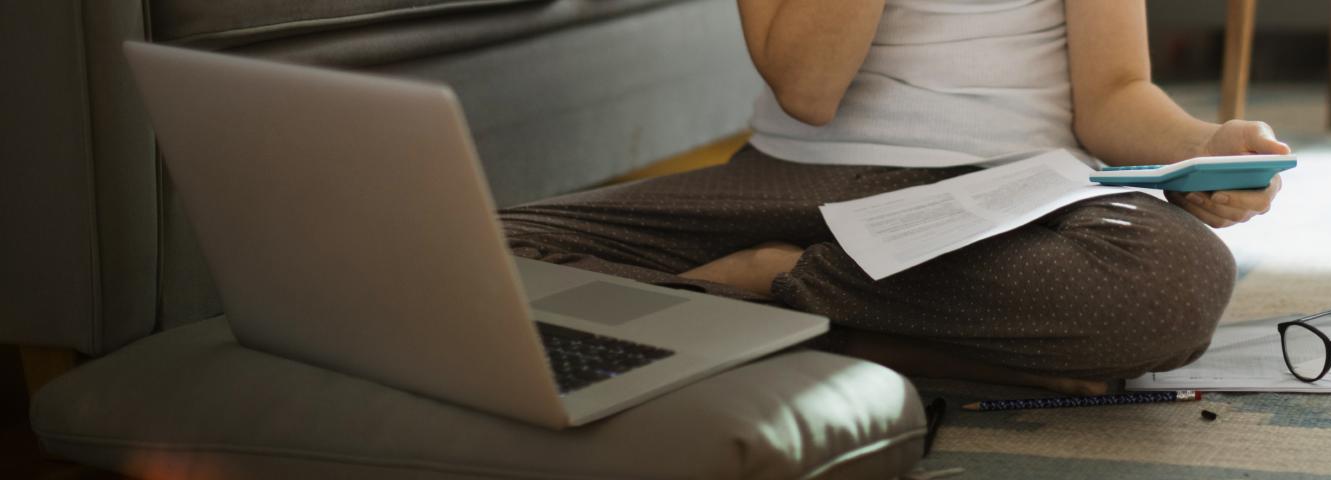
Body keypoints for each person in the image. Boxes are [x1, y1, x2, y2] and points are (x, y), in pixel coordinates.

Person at [498, 0, 1290, 395]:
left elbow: (1115, 94)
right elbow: (809, 87)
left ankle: (768, 289)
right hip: (786, 179)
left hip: (1009, 195)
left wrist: (1202, 145)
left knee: (1171, 282)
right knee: (478, 255)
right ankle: (949, 354)